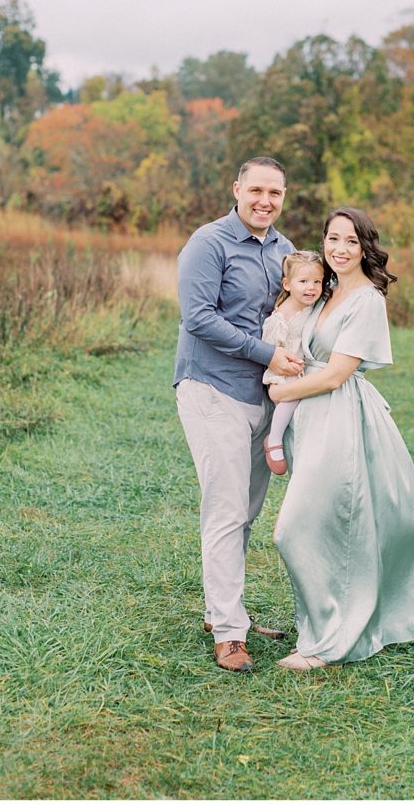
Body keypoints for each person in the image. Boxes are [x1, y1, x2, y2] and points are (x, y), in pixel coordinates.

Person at [270, 207, 414, 670]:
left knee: (300, 527)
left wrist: (281, 390)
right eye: (332, 238)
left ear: (365, 247)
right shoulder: (324, 290)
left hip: (340, 418)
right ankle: (318, 620)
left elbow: (335, 375)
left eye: (350, 241)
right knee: (324, 523)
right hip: (309, 421)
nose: (339, 249)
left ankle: (331, 642)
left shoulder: (366, 299)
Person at [173, 156, 303, 673]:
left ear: (284, 195)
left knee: (245, 512)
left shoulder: (287, 250)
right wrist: (268, 354)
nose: (264, 200)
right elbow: (198, 318)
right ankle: (229, 633)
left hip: (262, 400)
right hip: (212, 389)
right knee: (226, 510)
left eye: (274, 192)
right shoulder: (209, 243)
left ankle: (221, 611)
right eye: (255, 190)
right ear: (236, 189)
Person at [261, 251, 325, 475]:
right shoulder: (282, 317)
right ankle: (274, 439)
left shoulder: (312, 306)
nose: (311, 287)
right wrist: (286, 366)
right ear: (287, 284)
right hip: (284, 371)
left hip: (304, 369)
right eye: (304, 282)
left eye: (317, 281)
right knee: (291, 396)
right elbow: (271, 350)